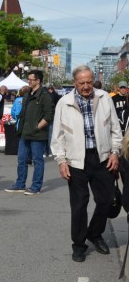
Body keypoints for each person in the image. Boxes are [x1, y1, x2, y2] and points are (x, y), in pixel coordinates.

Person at [51, 65, 122, 263]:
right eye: (81, 83)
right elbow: (57, 136)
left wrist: (115, 152)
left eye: (89, 82)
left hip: (102, 158)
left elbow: (116, 129)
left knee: (106, 200)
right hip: (76, 161)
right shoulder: (64, 103)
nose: (86, 86)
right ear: (75, 83)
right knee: (79, 205)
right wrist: (61, 161)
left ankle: (95, 232)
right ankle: (79, 244)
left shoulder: (105, 98)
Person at [5, 70, 52, 195]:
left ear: (38, 81)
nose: (28, 81)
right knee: (21, 159)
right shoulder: (27, 95)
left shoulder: (45, 96)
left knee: (37, 161)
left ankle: (36, 187)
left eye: (31, 79)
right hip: (24, 133)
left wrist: (37, 127)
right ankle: (20, 184)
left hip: (37, 135)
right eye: (28, 79)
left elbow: (49, 115)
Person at [45, 85, 61, 157]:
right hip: (53, 116)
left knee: (46, 134)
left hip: (46, 117)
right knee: (51, 134)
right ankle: (50, 151)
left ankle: (46, 151)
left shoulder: (45, 96)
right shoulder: (56, 95)